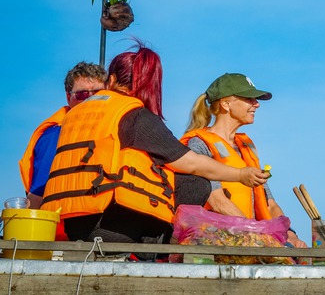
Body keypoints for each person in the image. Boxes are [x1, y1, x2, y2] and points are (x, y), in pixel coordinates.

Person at [41, 44, 269, 244]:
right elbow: (190, 162)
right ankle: (156, 247)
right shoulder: (132, 115)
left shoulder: (73, 116)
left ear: (110, 81)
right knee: (195, 182)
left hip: (70, 224)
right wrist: (240, 175)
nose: (255, 104)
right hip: (110, 228)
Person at [181, 73, 307, 248]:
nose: (256, 104)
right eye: (249, 99)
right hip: (215, 242)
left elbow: (270, 204)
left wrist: (290, 235)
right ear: (226, 104)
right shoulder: (199, 144)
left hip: (248, 240)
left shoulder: (246, 147)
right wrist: (256, 234)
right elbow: (217, 201)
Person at [19, 62, 107, 210]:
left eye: (98, 94)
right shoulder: (56, 134)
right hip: (62, 228)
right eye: (82, 94)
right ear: (68, 97)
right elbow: (38, 192)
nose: (90, 99)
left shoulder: (112, 131)